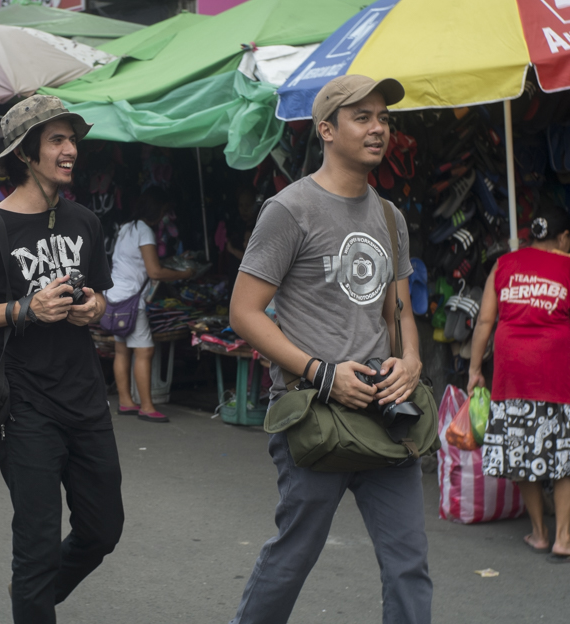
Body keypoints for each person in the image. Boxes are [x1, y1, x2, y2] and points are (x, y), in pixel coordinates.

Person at [228, 75, 431, 623]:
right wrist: (322, 373)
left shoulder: (390, 218)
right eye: (362, 117)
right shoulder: (289, 209)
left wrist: (410, 361)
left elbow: (401, 312)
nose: (378, 128)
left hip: (385, 415)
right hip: (316, 415)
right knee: (293, 557)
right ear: (326, 130)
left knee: (408, 565)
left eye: (384, 118)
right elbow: (243, 312)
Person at [0, 95, 123, 623]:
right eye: (57, 140)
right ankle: (34, 595)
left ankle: (33, 597)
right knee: (37, 548)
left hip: (85, 398)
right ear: (25, 152)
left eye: (72, 139)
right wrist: (24, 308)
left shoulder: (85, 221)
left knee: (102, 530)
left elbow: (102, 294)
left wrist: (94, 308)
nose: (70, 150)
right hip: (24, 407)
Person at [468, 202, 570, 563]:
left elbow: (484, 322)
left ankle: (540, 534)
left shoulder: (505, 264)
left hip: (512, 376)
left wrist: (475, 369)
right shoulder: (568, 266)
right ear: (565, 237)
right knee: (563, 457)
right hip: (557, 376)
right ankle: (563, 538)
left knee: (521, 451)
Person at [108, 187, 193, 423]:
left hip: (115, 295)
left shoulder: (126, 227)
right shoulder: (144, 230)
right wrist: (183, 274)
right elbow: (154, 270)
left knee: (122, 350)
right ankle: (146, 405)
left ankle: (126, 402)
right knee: (145, 351)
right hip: (132, 300)